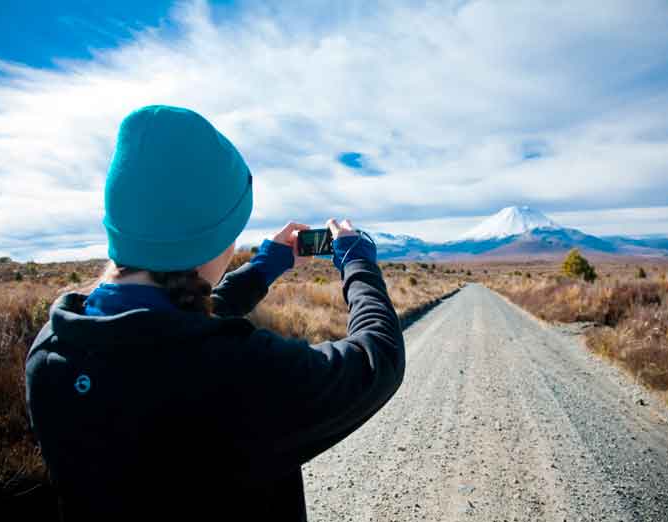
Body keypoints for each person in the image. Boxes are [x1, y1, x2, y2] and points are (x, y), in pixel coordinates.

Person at [25, 105, 405, 521]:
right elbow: (377, 358)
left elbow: (164, 332)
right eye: (231, 233)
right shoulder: (241, 373)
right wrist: (358, 263)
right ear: (210, 242)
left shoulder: (51, 353)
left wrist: (264, 267)